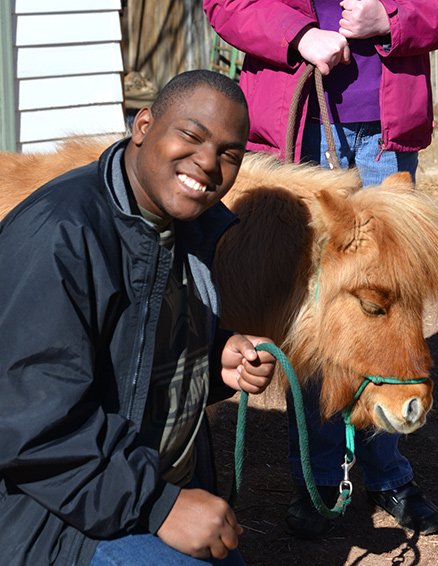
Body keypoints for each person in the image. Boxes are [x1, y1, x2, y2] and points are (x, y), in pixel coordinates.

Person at [204, 0, 438, 539]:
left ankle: (386, 472)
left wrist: (392, 20)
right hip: (295, 123)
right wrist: (297, 35)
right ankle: (321, 475)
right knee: (311, 307)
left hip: (385, 132)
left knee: (387, 297)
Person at [0, 70, 277, 565]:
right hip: (51, 514)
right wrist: (158, 505)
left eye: (229, 154)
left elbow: (128, 348)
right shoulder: (60, 235)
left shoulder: (179, 223)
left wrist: (213, 359)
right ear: (144, 125)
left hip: (132, 481)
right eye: (191, 135)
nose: (208, 163)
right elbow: (29, 423)